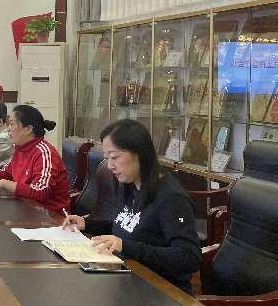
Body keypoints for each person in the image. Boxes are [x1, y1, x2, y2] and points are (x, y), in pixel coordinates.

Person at [62, 119, 201, 293]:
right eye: (107, 158)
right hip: (128, 278)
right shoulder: (130, 185)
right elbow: (127, 227)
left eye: (115, 157)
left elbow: (189, 257)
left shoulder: (171, 198)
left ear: (140, 153)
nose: (110, 166)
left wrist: (125, 246)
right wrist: (87, 224)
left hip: (160, 290)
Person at [0, 104, 69, 211]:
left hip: (50, 215)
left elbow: (41, 191)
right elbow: (8, 173)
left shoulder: (44, 153)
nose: (8, 129)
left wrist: (3, 183)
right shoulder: (20, 148)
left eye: (11, 124)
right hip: (26, 208)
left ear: (28, 129)